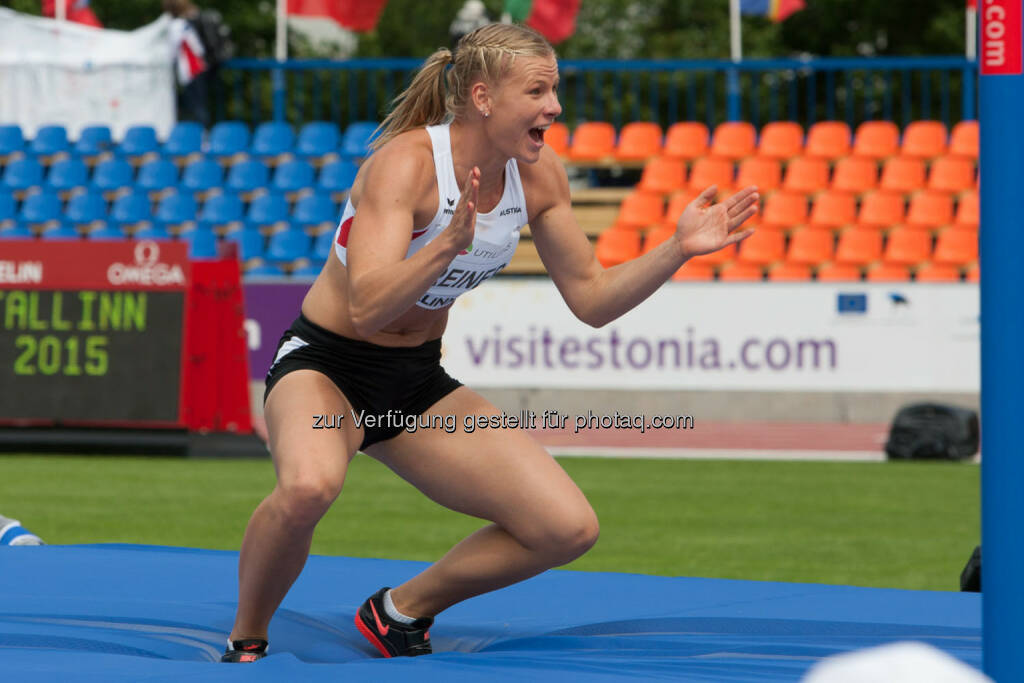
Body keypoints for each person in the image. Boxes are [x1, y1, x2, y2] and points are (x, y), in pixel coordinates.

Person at [221, 22, 758, 663]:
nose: (554, 107)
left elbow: (590, 301)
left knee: (565, 527)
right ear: (482, 97)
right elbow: (365, 308)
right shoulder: (405, 165)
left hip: (415, 381)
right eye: (537, 91)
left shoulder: (538, 175)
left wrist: (677, 249)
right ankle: (247, 636)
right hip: (327, 366)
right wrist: (445, 246)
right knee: (310, 487)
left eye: (554, 90)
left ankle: (399, 611)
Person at [164, 0, 232, 128]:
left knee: (196, 105)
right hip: (200, 67)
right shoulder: (188, 23)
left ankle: (201, 135)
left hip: (191, 69)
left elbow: (173, 50)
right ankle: (201, 133)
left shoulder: (177, 25)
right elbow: (198, 48)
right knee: (199, 103)